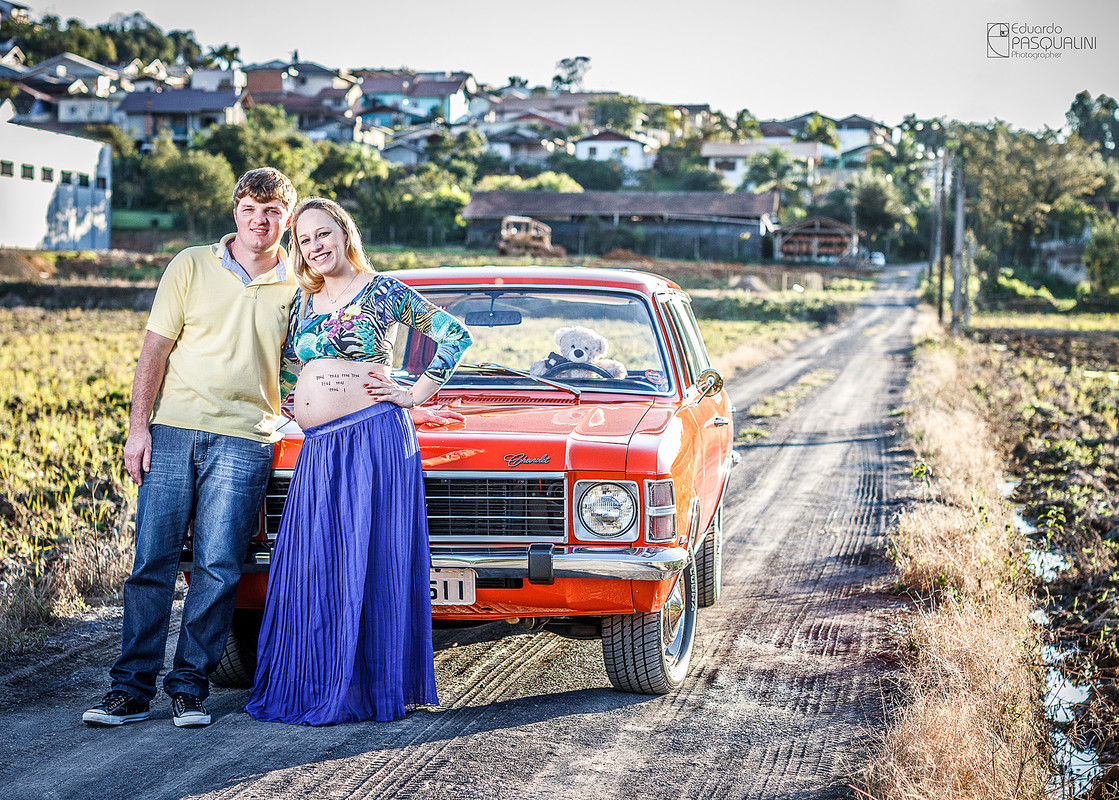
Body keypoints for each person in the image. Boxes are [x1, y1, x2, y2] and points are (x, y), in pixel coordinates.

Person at [83, 168, 299, 728]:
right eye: (252, 208)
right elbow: (154, 350)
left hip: (248, 437)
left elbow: (306, 363)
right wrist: (139, 428)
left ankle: (189, 687)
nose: (261, 220)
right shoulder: (190, 264)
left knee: (219, 567)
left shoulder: (299, 284)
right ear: (235, 211)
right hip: (174, 428)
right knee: (151, 561)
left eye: (273, 211)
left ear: (288, 219)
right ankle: (129, 691)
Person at [245, 197, 472, 725]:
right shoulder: (306, 299)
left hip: (374, 439)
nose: (315, 246)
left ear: (345, 233)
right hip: (320, 448)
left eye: (323, 234)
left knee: (370, 560)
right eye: (304, 240)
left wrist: (417, 392)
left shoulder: (384, 290)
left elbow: (455, 336)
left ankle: (368, 685)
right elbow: (286, 365)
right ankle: (314, 678)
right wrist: (291, 407)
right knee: (317, 560)